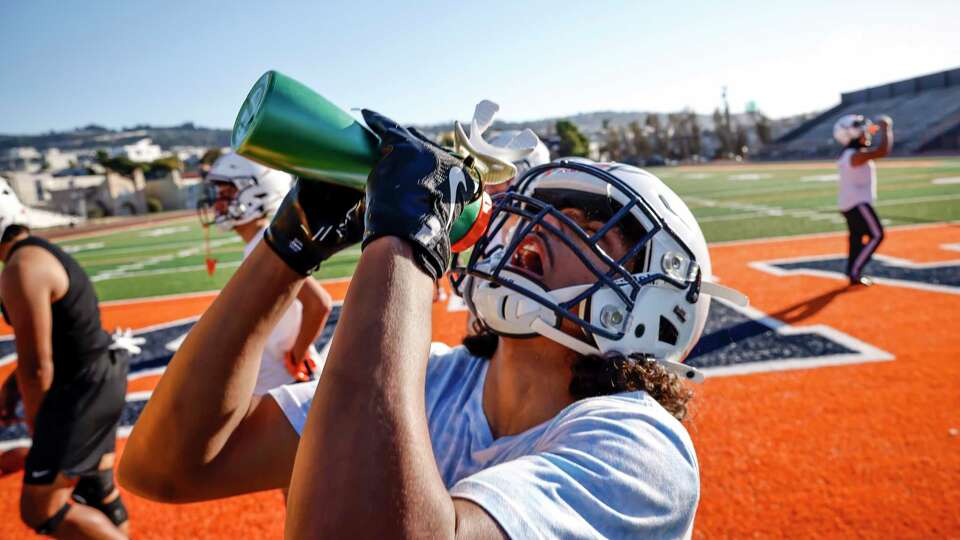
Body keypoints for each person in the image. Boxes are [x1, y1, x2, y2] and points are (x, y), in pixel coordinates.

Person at [120, 111, 744, 538]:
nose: (533, 229)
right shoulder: (435, 381)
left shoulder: (641, 447)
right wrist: (291, 243)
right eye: (538, 212)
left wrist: (405, 244)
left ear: (655, 307)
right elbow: (166, 466)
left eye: (581, 227)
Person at [0, 223, 130, 538]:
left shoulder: (22, 265)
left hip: (80, 387)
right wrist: (9, 387)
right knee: (95, 488)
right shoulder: (36, 251)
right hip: (98, 374)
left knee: (39, 508)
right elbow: (64, 337)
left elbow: (37, 367)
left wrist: (40, 428)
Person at [198, 153, 334, 394]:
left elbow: (319, 304)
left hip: (285, 380)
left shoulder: (266, 243)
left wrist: (296, 355)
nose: (217, 203)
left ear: (256, 193)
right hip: (274, 377)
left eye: (226, 194)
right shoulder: (258, 243)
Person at [833, 114, 894, 287]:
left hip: (850, 203)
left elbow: (869, 131)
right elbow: (882, 151)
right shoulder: (854, 155)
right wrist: (886, 129)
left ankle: (853, 271)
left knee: (856, 239)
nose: (867, 135)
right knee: (877, 235)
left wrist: (874, 127)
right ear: (851, 134)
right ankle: (855, 270)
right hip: (857, 204)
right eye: (863, 133)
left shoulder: (849, 154)